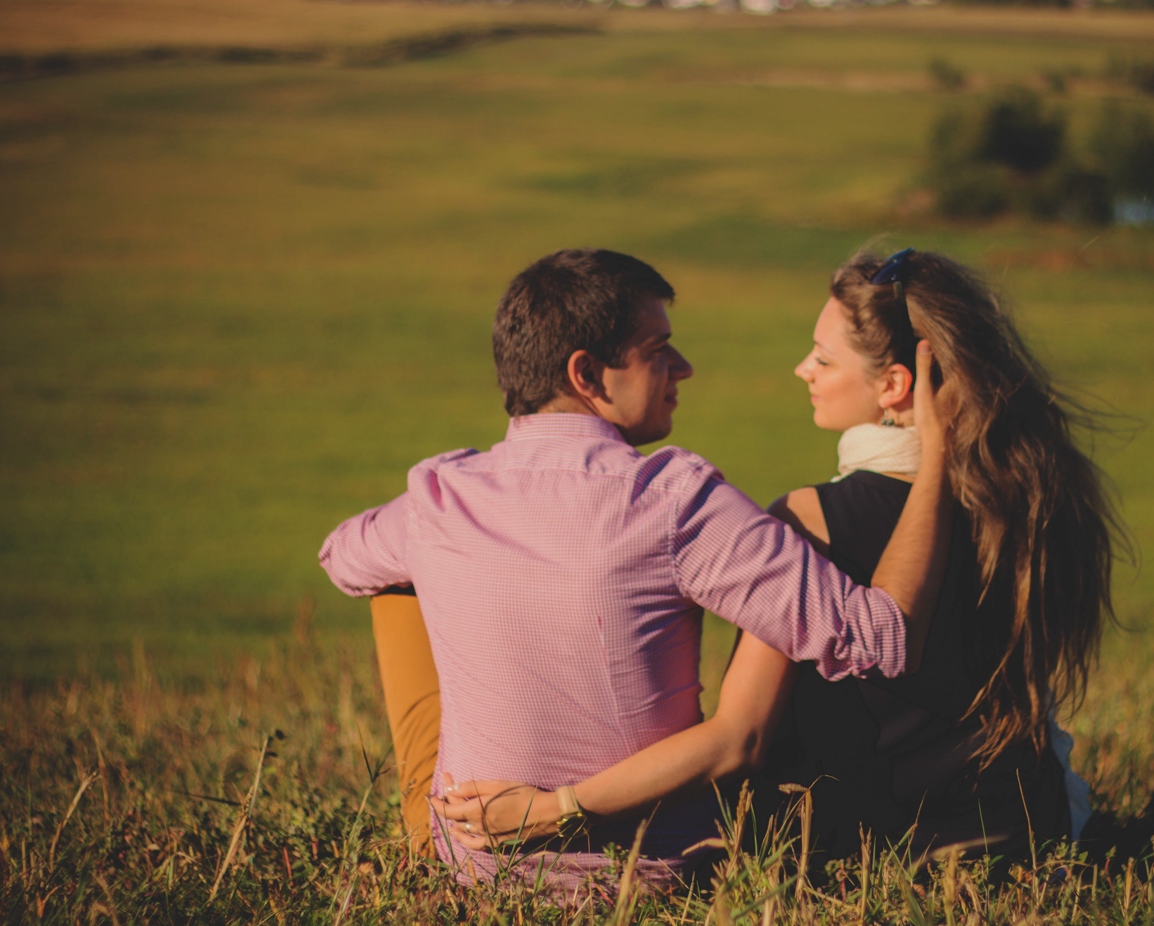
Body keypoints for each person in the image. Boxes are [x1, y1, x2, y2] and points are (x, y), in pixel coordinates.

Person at [439, 248, 1118, 866]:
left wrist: (555, 806)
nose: (803, 370)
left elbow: (742, 739)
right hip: (1034, 835)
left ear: (895, 387)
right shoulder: (1023, 498)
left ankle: (430, 821)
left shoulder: (809, 520)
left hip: (867, 854)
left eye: (823, 359)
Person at [319, 248, 954, 897]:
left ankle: (426, 811)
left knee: (397, 582)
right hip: (647, 877)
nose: (684, 368)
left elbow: (341, 556)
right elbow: (881, 639)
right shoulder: (673, 500)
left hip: (473, 858)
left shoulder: (437, 495)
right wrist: (935, 456)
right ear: (588, 374)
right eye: (659, 351)